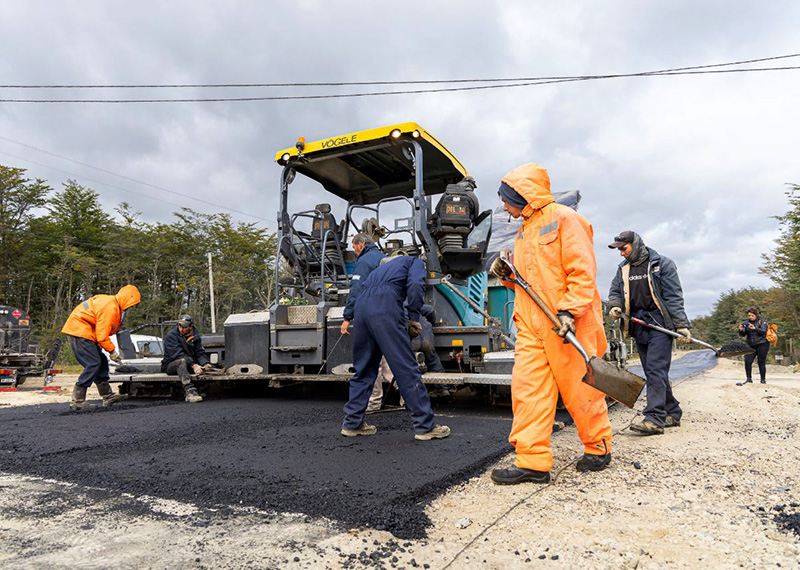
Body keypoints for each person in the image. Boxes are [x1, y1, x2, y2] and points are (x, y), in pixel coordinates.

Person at [488, 163, 612, 485]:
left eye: (506, 199)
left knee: (581, 390)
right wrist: (508, 275)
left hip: (567, 322)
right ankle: (532, 462)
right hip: (530, 324)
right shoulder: (523, 231)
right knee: (528, 392)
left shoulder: (566, 219)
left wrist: (570, 312)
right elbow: (530, 281)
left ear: (522, 194)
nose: (504, 207)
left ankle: (598, 447)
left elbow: (582, 272)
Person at [341, 255, 450, 440]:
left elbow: (358, 288)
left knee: (364, 369)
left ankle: (352, 423)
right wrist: (414, 317)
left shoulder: (379, 271)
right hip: (385, 306)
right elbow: (416, 285)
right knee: (405, 367)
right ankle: (425, 426)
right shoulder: (415, 261)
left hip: (362, 307)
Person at [607, 230, 692, 435]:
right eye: (618, 250)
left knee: (655, 369)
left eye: (624, 249)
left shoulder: (662, 264)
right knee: (654, 371)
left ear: (635, 245)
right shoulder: (623, 269)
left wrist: (681, 324)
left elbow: (673, 296)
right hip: (639, 324)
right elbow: (615, 291)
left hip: (660, 324)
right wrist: (616, 305)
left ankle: (654, 418)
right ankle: (672, 411)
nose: (621, 253)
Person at [61, 285, 141, 410]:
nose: (131, 307)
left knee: (101, 361)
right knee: (93, 363)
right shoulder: (111, 307)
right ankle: (78, 400)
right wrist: (112, 351)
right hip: (80, 331)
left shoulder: (112, 304)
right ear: (127, 299)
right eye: (131, 304)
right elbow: (102, 335)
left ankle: (107, 395)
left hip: (85, 332)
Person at [340, 232, 386, 411]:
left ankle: (374, 402)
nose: (354, 251)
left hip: (371, 313)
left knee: (370, 357)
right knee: (389, 356)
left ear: (360, 244)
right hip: (388, 312)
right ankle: (404, 396)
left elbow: (357, 289)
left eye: (354, 247)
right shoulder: (383, 258)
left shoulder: (364, 262)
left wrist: (347, 317)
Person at [161, 314, 212, 403]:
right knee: (181, 361)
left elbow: (199, 352)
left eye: (184, 327)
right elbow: (178, 354)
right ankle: (190, 392)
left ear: (190, 326)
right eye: (179, 326)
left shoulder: (195, 335)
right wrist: (194, 365)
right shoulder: (171, 336)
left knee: (202, 368)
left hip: (188, 363)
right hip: (171, 365)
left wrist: (205, 363)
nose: (181, 329)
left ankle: (199, 388)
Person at [737, 308, 769, 385]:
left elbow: (764, 331)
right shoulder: (746, 323)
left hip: (762, 344)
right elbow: (743, 334)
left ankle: (763, 380)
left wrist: (755, 328)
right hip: (750, 345)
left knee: (761, 362)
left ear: (756, 315)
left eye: (752, 315)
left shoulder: (762, 321)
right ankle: (749, 379)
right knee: (747, 361)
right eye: (749, 315)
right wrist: (740, 330)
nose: (750, 317)